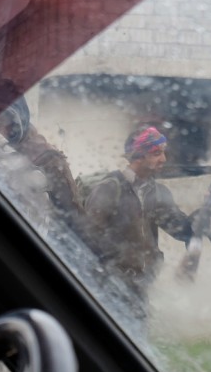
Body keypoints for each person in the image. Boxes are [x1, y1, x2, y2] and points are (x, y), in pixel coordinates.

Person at [80, 126, 194, 323]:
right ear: (137, 156)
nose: (164, 159)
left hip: (142, 284)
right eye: (156, 153)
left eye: (163, 152)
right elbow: (89, 238)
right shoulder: (109, 188)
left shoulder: (157, 192)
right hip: (111, 286)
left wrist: (205, 213)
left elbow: (181, 229)